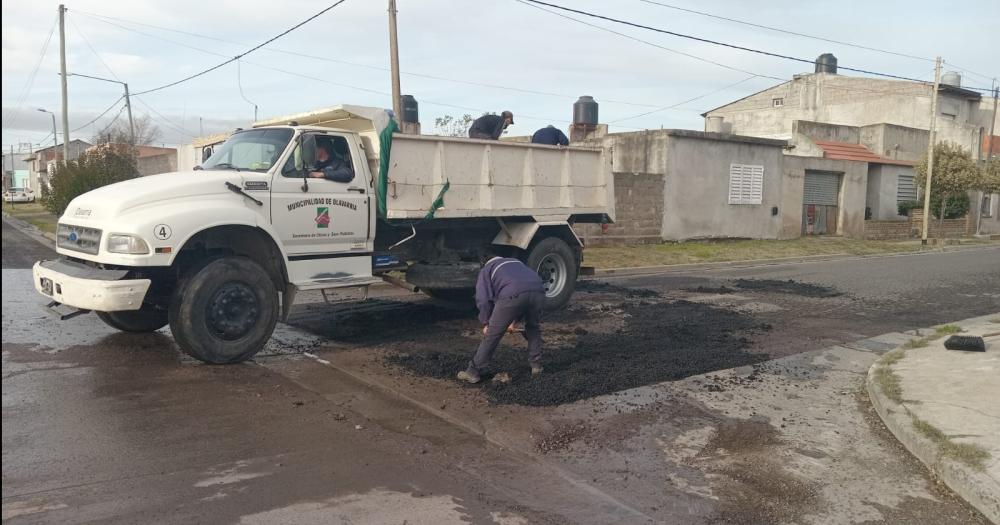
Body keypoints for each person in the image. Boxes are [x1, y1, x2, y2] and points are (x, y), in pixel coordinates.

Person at [457, 250, 545, 384]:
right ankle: (536, 366)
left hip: (512, 294)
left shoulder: (487, 269)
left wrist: (486, 322)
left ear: (484, 263)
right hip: (539, 290)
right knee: (533, 327)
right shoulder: (515, 263)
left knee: (493, 334)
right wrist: (514, 321)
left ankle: (473, 372)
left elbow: (483, 299)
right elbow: (525, 291)